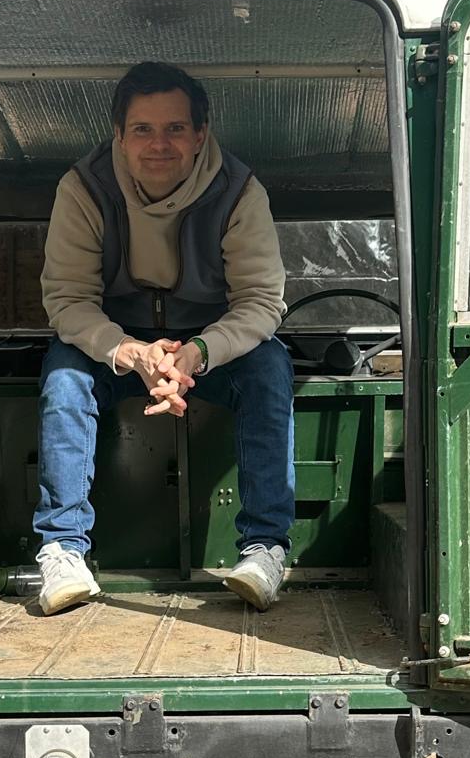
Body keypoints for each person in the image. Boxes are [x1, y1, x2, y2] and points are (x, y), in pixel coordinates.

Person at [35, 59, 294, 615]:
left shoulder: (240, 192)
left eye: (176, 128)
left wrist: (199, 353)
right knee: (64, 374)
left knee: (269, 366)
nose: (160, 144)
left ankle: (265, 547)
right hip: (114, 347)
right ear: (120, 137)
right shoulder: (83, 188)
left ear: (201, 134)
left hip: (210, 346)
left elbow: (260, 302)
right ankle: (61, 549)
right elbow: (68, 299)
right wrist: (129, 351)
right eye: (143, 130)